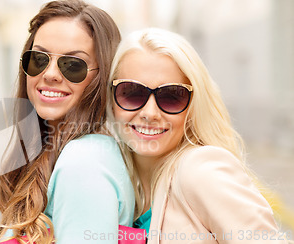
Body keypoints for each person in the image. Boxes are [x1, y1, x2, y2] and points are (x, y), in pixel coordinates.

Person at [106, 28, 287, 243]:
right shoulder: (118, 182)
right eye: (132, 93)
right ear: (111, 97)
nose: (150, 113)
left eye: (171, 96)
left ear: (193, 107)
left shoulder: (201, 169)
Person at [0, 0, 135, 243]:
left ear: (101, 78)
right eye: (39, 59)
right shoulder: (48, 154)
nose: (50, 74)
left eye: (73, 66)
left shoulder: (85, 159)